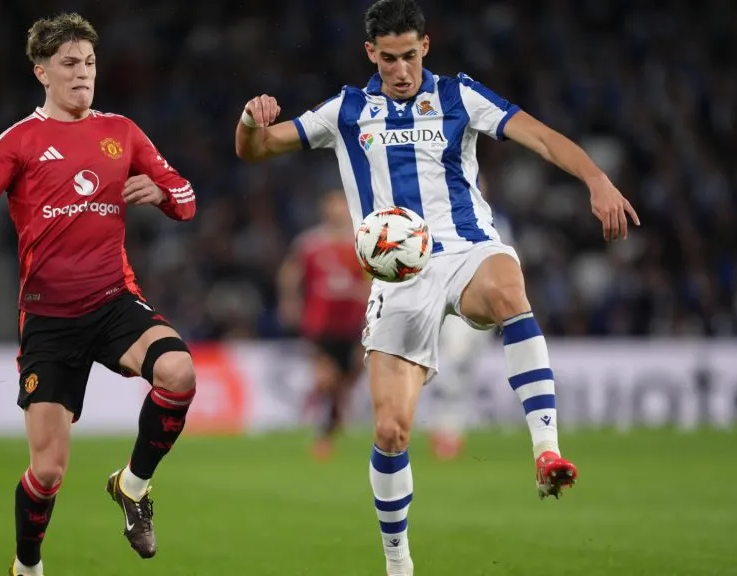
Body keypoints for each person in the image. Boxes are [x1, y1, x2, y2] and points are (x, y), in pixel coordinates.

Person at [233, 1, 639, 574]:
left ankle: (545, 448)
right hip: (396, 278)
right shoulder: (346, 110)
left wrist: (596, 180)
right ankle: (399, 563)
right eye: (390, 59)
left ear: (427, 46)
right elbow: (256, 149)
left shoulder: (459, 96)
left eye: (411, 56)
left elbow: (543, 139)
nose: (402, 70)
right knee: (392, 430)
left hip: (466, 249)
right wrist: (251, 121)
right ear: (371, 54)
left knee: (507, 293)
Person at [0, 13, 198, 575]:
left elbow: (186, 194)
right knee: (49, 472)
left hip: (112, 300)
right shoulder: (18, 141)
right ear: (42, 72)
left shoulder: (122, 132)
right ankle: (27, 564)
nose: (83, 75)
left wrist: (161, 193)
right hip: (48, 321)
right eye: (70, 65)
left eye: (90, 64)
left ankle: (133, 485)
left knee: (178, 372)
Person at [277, 189, 370, 459]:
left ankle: (331, 426)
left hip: (355, 322)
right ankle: (323, 433)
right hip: (320, 322)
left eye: (341, 206)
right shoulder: (310, 242)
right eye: (332, 206)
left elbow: (375, 274)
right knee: (326, 378)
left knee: (347, 380)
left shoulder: (362, 239)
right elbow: (290, 272)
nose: (336, 211)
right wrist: (289, 301)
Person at [428, 209, 514, 460]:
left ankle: (450, 429)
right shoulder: (438, 211)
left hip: (479, 302)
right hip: (446, 301)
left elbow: (508, 264)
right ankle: (445, 431)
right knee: (452, 361)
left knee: (462, 366)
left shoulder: (497, 220)